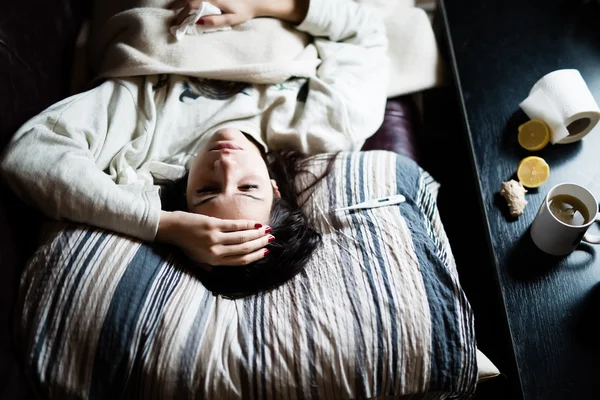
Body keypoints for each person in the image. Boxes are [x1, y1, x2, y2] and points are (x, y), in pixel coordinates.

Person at [0, 0, 388, 296]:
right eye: (248, 188)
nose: (226, 166)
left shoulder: (144, 135)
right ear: (274, 187)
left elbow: (32, 154)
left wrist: (163, 226)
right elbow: (363, 29)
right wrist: (264, 5)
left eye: (206, 191)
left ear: (183, 194)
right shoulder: (324, 126)